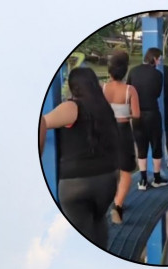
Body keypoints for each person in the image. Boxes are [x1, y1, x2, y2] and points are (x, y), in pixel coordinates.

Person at [39, 67, 118, 248]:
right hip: (107, 181)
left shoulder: (72, 107)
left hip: (77, 183)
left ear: (73, 86)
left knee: (80, 239)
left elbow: (42, 122)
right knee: (98, 225)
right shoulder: (105, 109)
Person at [103, 50, 140, 224]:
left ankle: (107, 200)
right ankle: (118, 205)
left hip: (106, 130)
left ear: (110, 71)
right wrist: (125, 114)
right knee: (126, 171)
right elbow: (137, 114)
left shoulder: (103, 88)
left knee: (110, 168)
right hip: (123, 129)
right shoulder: (129, 90)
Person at [127, 47, 168, 190]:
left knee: (141, 146)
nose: (159, 62)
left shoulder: (133, 71)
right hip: (152, 113)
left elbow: (128, 91)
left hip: (136, 115)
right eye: (159, 59)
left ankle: (143, 180)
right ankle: (157, 178)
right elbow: (157, 94)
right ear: (154, 58)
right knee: (156, 145)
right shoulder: (158, 74)